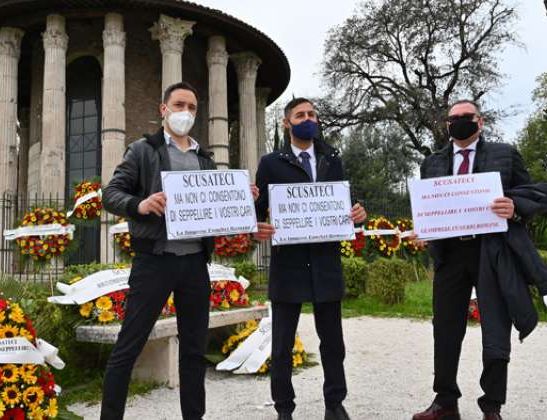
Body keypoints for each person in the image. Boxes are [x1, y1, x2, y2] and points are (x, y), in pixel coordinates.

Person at [101, 81, 258, 420]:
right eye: (179, 105)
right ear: (164, 109)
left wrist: (241, 199)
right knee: (128, 347)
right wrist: (140, 204)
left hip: (194, 266)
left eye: (192, 107)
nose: (185, 112)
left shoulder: (205, 159)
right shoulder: (143, 150)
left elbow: (215, 207)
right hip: (154, 262)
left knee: (193, 351)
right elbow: (110, 193)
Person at [409, 100, 547, 420]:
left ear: (480, 121)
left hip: (492, 252)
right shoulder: (432, 163)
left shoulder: (505, 154)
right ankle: (445, 401)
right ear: (446, 125)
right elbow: (431, 208)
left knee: (495, 328)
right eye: (453, 119)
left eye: (466, 117)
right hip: (450, 255)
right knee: (445, 328)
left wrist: (515, 206)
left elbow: (534, 192)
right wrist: (422, 229)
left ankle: (492, 405)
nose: (459, 123)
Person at [252, 97, 367, 420]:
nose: (309, 119)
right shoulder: (271, 163)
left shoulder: (332, 157)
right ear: (287, 122)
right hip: (288, 263)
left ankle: (335, 403)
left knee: (333, 342)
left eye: (312, 114)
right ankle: (284, 408)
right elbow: (258, 213)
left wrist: (358, 212)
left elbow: (343, 200)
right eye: (301, 114)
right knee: (282, 343)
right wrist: (256, 224)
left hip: (325, 262)